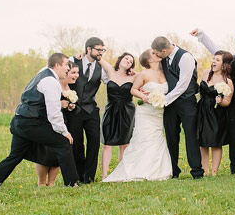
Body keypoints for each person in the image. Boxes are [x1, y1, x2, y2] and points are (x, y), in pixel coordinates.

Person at [0, 53, 80, 194]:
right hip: (31, 124)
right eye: (65, 65)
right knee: (63, 142)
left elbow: (52, 62)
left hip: (19, 121)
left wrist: (74, 57)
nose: (68, 69)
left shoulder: (41, 74)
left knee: (14, 156)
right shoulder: (51, 82)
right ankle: (72, 184)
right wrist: (65, 132)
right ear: (57, 65)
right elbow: (54, 113)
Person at [192, 28, 235, 174]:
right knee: (234, 138)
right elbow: (216, 50)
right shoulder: (232, 61)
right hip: (232, 106)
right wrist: (201, 35)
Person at [103, 49, 172, 182]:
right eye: (153, 53)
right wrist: (144, 97)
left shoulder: (165, 73)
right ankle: (135, 170)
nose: (157, 54)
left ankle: (156, 170)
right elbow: (133, 89)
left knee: (157, 138)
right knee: (143, 139)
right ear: (149, 59)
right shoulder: (144, 74)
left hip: (159, 112)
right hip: (146, 112)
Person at [150, 36, 204, 179]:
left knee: (191, 135)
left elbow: (183, 85)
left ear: (165, 50)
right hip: (170, 104)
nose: (156, 56)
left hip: (187, 102)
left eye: (157, 53)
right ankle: (173, 171)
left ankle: (197, 171)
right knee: (171, 136)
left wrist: (165, 100)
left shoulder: (186, 57)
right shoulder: (163, 57)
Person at [23, 62, 79, 186]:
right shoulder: (51, 81)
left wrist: (69, 106)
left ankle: (52, 182)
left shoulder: (71, 86)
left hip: (61, 121)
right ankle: (42, 182)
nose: (75, 75)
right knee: (45, 152)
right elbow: (49, 104)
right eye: (72, 71)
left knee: (58, 152)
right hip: (47, 120)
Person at [68, 37, 107, 183]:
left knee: (94, 142)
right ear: (88, 49)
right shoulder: (73, 60)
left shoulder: (101, 67)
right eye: (98, 49)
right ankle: (79, 175)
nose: (100, 52)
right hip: (74, 109)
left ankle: (89, 177)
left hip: (91, 110)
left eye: (102, 50)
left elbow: (110, 80)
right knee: (77, 144)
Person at [97, 52, 137, 180]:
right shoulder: (110, 71)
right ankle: (104, 175)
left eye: (131, 61)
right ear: (120, 59)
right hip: (110, 110)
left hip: (127, 112)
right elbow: (98, 57)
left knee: (124, 144)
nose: (128, 61)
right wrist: (79, 55)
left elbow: (146, 77)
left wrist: (135, 73)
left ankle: (122, 173)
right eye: (126, 58)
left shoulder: (134, 77)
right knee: (107, 144)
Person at [195, 50, 234, 176]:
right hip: (202, 110)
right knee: (203, 141)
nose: (213, 62)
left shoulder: (228, 81)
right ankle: (205, 170)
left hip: (217, 113)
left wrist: (221, 101)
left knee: (216, 142)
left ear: (224, 64)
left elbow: (228, 101)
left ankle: (214, 172)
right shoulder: (206, 73)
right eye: (213, 59)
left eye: (217, 60)